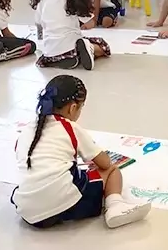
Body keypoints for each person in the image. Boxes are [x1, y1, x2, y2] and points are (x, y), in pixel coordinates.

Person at [12, 75, 150, 229]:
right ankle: (115, 206)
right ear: (72, 108)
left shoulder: (28, 130)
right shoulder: (69, 127)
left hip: (28, 213)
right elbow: (105, 163)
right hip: (64, 206)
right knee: (112, 171)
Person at [31, 0, 111, 70]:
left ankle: (62, 59)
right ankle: (90, 48)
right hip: (71, 49)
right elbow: (91, 23)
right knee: (102, 46)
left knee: (62, 47)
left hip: (49, 53)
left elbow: (39, 23)